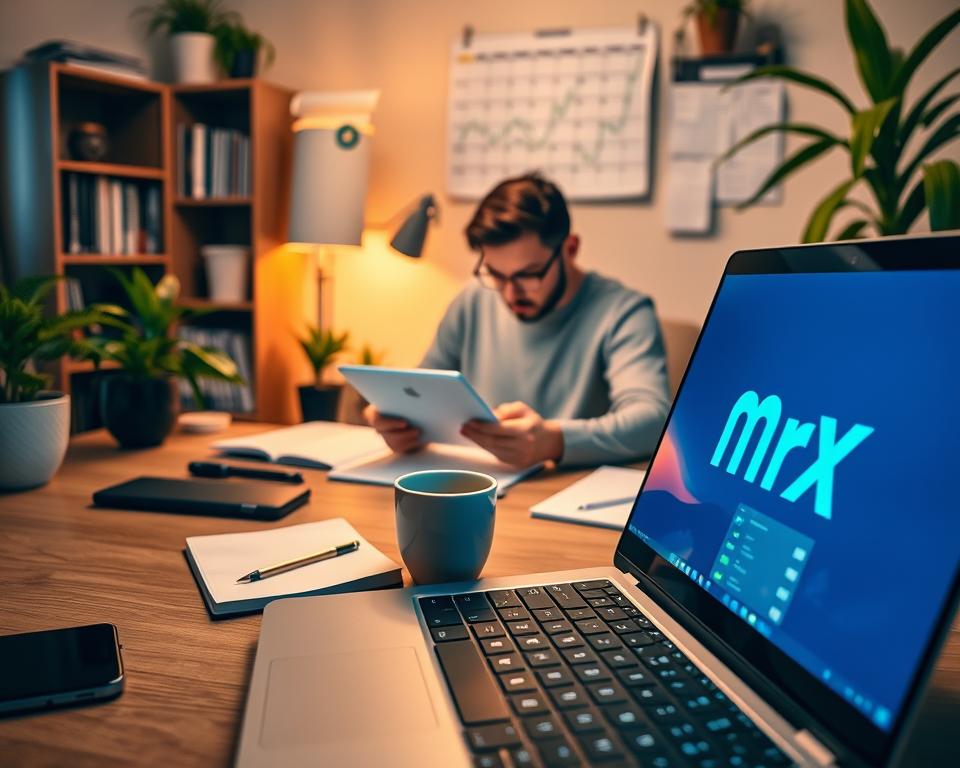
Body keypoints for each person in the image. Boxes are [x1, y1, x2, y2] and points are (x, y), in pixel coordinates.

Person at [365, 172, 670, 467]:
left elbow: (653, 419)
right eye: (496, 274)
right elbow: (425, 390)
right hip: (481, 485)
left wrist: (554, 442)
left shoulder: (624, 312)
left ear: (570, 249)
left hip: (564, 495)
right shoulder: (473, 299)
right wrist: (401, 424)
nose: (510, 294)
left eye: (528, 274)